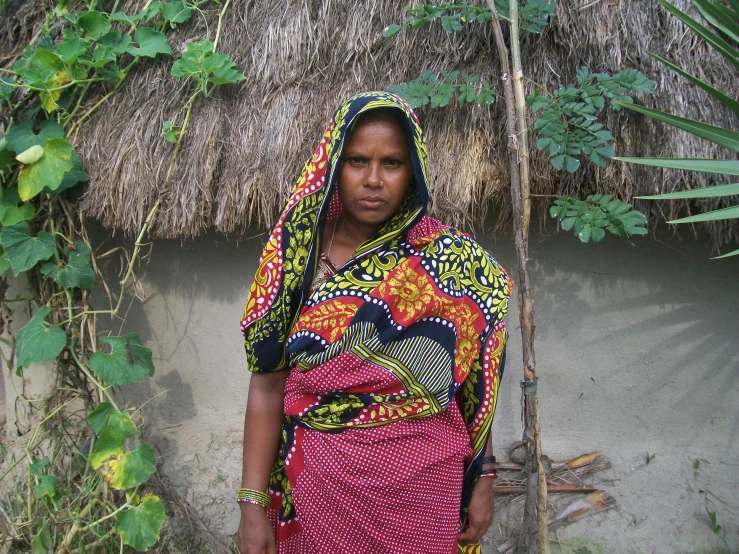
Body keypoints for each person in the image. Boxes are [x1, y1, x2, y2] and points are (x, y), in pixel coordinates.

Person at [236, 92, 512, 554]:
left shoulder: (451, 262)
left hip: (425, 485)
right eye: (357, 161)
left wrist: (483, 478)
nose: (373, 180)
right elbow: (266, 387)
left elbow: (473, 388)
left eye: (392, 163)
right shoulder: (295, 258)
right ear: (332, 167)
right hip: (322, 486)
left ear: (414, 172)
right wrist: (251, 503)